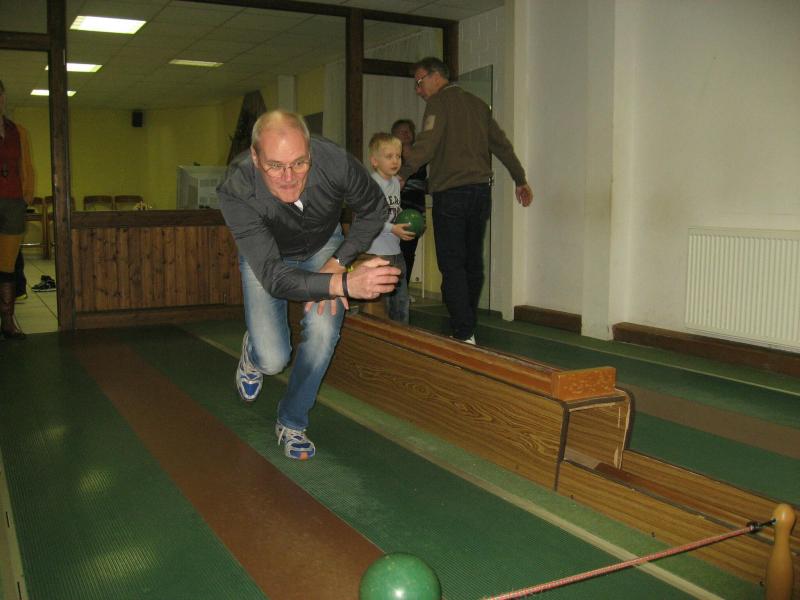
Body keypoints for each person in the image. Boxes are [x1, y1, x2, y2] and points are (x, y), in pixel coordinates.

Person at [218, 110, 400, 460]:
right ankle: (254, 353)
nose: (289, 178)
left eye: (299, 163)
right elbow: (274, 277)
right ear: (255, 157)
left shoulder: (335, 162)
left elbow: (374, 209)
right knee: (273, 360)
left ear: (310, 152)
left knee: (322, 332)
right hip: (267, 255)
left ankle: (292, 421)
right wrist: (342, 284)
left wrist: (339, 262)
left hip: (324, 245)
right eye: (275, 166)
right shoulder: (236, 188)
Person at [398, 57, 533, 345]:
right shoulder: (478, 105)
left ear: (436, 76)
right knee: (472, 262)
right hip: (480, 193)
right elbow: (502, 145)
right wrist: (520, 179)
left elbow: (427, 145)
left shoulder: (439, 103)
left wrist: (403, 174)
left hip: (452, 194)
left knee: (452, 263)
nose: (418, 90)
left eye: (419, 82)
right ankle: (467, 325)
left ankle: (463, 331)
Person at [365, 132, 414, 323]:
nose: (395, 161)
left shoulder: (395, 182)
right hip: (377, 254)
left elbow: (394, 209)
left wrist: (406, 222)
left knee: (401, 301)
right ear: (375, 161)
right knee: (380, 304)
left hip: (395, 251)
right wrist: (392, 229)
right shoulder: (372, 184)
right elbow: (370, 218)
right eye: (389, 156)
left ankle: (402, 333)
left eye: (398, 156)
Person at [0, 79, 33, 340]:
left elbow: (26, 167)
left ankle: (8, 322)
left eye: (0, 96)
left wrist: (26, 199)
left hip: (13, 203)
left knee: (7, 266)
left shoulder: (17, 131)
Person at [390, 119, 427, 286]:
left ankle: (404, 289)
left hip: (416, 211)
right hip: (397, 212)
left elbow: (422, 185)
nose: (406, 133)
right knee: (396, 252)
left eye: (409, 130)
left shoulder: (420, 157)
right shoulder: (392, 158)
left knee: (409, 253)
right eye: (401, 131)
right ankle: (394, 290)